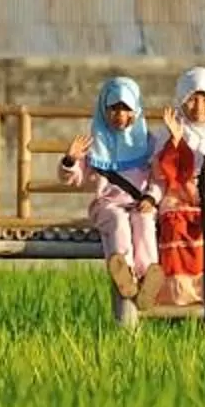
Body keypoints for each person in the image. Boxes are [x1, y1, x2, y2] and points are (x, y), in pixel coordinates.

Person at [58, 74, 161, 300]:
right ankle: (125, 272)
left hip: (139, 204)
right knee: (117, 222)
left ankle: (148, 276)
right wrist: (70, 160)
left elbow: (159, 178)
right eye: (113, 109)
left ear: (136, 110)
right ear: (104, 110)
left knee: (144, 221)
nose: (120, 116)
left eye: (126, 109)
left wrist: (151, 197)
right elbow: (74, 178)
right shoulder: (95, 144)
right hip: (107, 205)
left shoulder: (147, 142)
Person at [150, 67, 205, 308]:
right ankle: (176, 295)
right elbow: (163, 173)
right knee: (174, 223)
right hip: (176, 194)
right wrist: (174, 142)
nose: (199, 107)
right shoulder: (167, 132)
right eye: (192, 99)